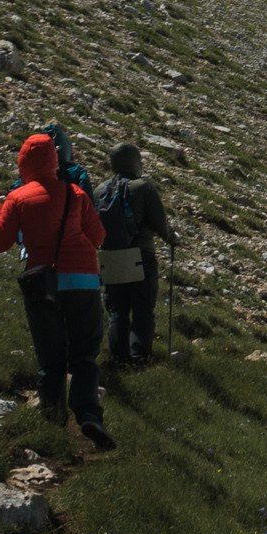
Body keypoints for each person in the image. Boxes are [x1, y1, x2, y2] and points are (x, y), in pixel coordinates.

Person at [0, 131, 114, 448]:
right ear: (55, 161)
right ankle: (88, 414)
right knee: (83, 354)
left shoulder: (17, 199)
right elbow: (98, 237)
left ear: (23, 164)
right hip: (83, 281)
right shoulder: (75, 193)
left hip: (43, 284)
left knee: (51, 356)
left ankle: (52, 421)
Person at [95, 143, 178, 369]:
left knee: (117, 311)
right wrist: (171, 238)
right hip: (140, 255)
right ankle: (140, 358)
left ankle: (118, 358)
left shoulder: (100, 190)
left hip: (110, 257)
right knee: (142, 309)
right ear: (134, 162)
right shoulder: (143, 187)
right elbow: (160, 223)